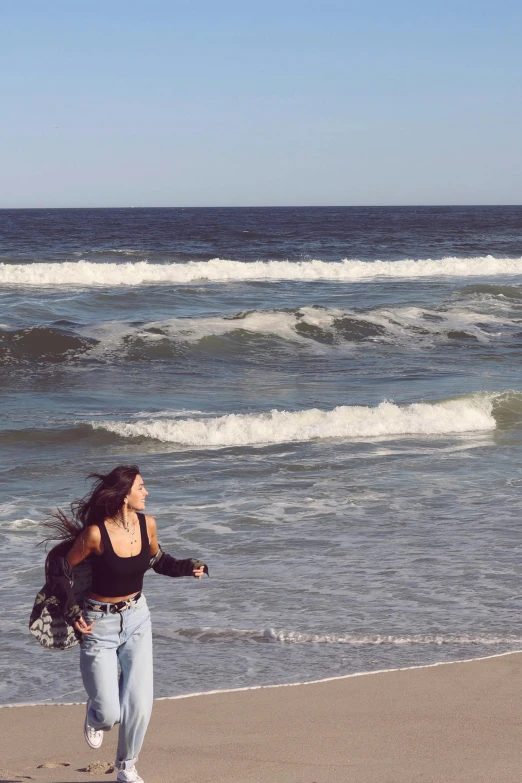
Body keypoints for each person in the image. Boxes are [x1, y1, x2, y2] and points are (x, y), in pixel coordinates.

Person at [42, 464, 208, 783]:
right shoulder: (95, 534)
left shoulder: (148, 525)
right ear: (123, 495)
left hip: (137, 619)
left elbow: (158, 561)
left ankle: (126, 766)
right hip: (97, 624)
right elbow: (60, 568)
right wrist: (72, 611)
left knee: (140, 702)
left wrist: (188, 567)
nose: (146, 492)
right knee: (109, 715)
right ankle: (96, 713)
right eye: (141, 487)